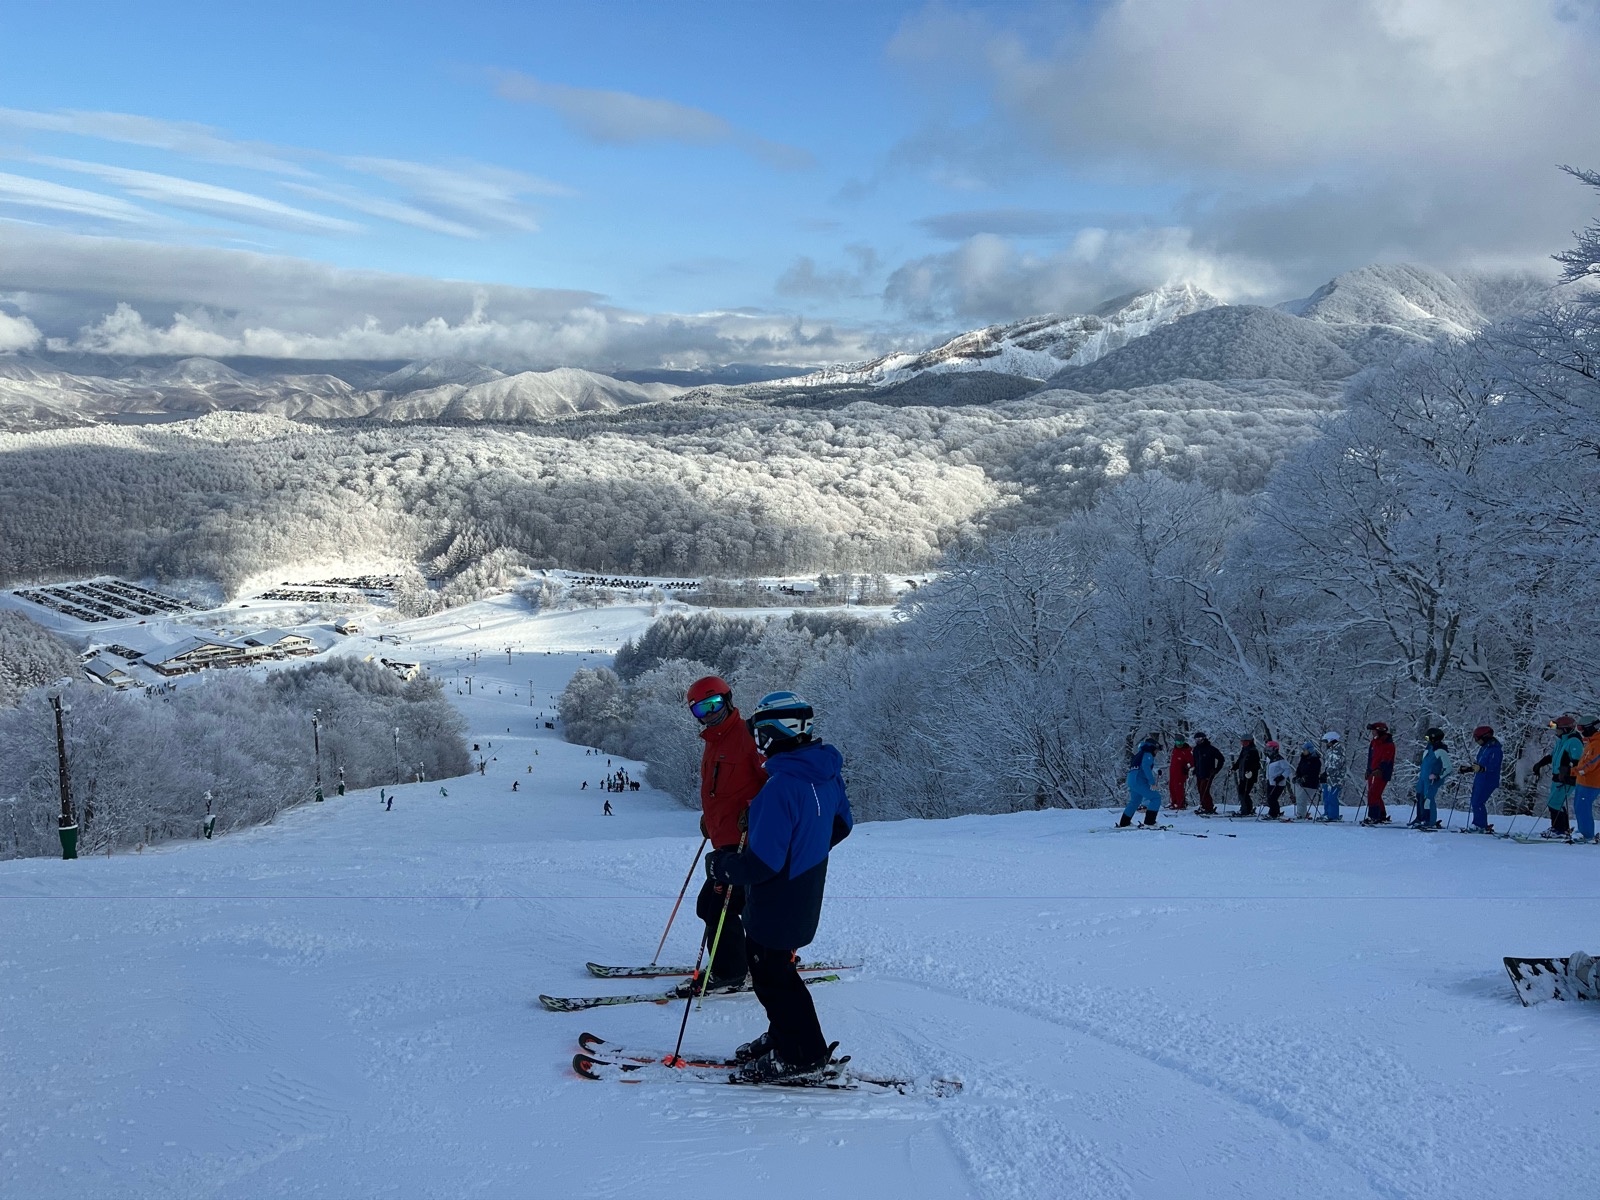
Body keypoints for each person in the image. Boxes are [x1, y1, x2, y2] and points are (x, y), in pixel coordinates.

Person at [706, 691, 853, 1084]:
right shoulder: (826, 773)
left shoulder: (780, 788)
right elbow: (842, 825)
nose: (756, 739)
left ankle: (801, 1055)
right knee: (779, 974)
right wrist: (804, 851)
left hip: (775, 903)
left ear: (771, 733)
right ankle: (788, 1035)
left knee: (773, 978)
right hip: (804, 893)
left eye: (759, 730)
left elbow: (760, 864)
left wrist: (722, 866)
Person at [685, 675, 767, 992]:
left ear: (728, 700)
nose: (709, 713)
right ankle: (750, 960)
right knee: (717, 906)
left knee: (717, 906)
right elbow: (718, 791)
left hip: (747, 840)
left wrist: (756, 812)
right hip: (724, 837)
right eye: (700, 710)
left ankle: (731, 970)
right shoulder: (713, 742)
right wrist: (710, 819)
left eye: (714, 704)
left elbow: (774, 782)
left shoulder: (749, 737)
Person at [1532, 716, 1583, 837]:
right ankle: (1562, 828)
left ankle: (1559, 830)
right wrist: (1540, 764)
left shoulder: (1574, 741)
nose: (1556, 731)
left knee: (1555, 803)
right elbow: (1554, 755)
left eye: (1558, 729)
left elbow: (1578, 762)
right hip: (1557, 777)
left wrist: (1569, 773)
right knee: (1555, 802)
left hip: (1567, 778)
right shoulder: (1562, 740)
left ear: (1565, 729)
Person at [1459, 725, 1502, 833]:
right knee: (1475, 801)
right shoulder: (1484, 748)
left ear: (1485, 737)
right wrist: (1468, 769)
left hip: (1488, 780)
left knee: (1478, 801)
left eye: (1477, 738)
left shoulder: (1495, 750)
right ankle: (1478, 823)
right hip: (1480, 778)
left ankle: (1480, 825)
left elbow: (1494, 766)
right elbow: (1479, 765)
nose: (1476, 741)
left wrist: (1482, 769)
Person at [1120, 735, 1163, 826]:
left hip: (1132, 780)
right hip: (1139, 781)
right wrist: (1152, 783)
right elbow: (1146, 767)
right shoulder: (1148, 754)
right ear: (1152, 747)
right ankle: (1150, 822)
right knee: (1156, 798)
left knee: (1135, 801)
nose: (1156, 752)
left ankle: (1124, 823)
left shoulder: (1138, 755)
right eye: (1156, 750)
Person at [1411, 728, 1451, 828]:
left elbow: (1449, 768)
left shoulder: (1441, 751)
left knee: (1427, 800)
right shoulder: (1428, 749)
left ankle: (1430, 821)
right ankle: (1420, 819)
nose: (1427, 740)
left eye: (1428, 738)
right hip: (1423, 779)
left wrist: (1438, 776)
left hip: (1432, 780)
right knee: (1419, 797)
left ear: (1434, 738)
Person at [1572, 716, 1600, 844]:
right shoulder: (1590, 742)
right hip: (1582, 781)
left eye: (1582, 728)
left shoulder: (1598, 743)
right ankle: (1583, 831)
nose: (1580, 731)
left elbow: (1590, 764)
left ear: (1591, 727)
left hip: (1591, 783)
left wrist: (1572, 772)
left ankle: (1586, 834)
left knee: (1583, 807)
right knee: (1579, 807)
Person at [1361, 723, 1395, 825]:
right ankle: (1381, 814)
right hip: (1372, 772)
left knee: (1373, 793)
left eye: (1374, 730)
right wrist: (1368, 770)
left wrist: (1380, 769)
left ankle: (1374, 816)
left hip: (1381, 773)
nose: (1372, 732)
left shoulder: (1388, 744)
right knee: (1374, 793)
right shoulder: (1374, 743)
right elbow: (1370, 758)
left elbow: (1387, 759)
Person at [1192, 733, 1224, 815]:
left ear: (1203, 739)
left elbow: (1221, 759)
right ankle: (1203, 806)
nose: (1198, 741)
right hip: (1199, 773)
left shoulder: (1211, 749)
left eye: (1199, 739)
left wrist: (1216, 769)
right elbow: (1195, 761)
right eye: (1196, 739)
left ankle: (1209, 807)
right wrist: (1195, 769)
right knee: (1200, 790)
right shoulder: (1196, 749)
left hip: (1208, 773)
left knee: (1204, 790)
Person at [1232, 735, 1260, 817]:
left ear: (1250, 741)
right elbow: (1240, 761)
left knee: (1244, 792)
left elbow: (1256, 764)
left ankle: (1246, 810)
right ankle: (1247, 808)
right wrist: (1234, 768)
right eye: (1242, 742)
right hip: (1242, 775)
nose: (1243, 743)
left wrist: (1250, 771)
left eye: (1245, 742)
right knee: (1242, 792)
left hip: (1249, 776)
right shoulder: (1244, 750)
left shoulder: (1253, 751)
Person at [1293, 742, 1322, 821]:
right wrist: (1297, 777)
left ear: (1310, 750)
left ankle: (1301, 816)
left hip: (1310, 784)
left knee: (1302, 799)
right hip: (1302, 783)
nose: (1303, 751)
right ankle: (1301, 814)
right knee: (1299, 799)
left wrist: (1304, 778)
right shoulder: (1303, 758)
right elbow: (1299, 769)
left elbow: (1313, 772)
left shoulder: (1315, 760)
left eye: (1305, 750)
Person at [1320, 732, 1345, 820]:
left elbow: (1336, 765)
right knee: (1326, 797)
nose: (1326, 743)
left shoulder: (1338, 750)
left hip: (1336, 779)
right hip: (1329, 778)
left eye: (1327, 741)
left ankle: (1333, 816)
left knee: (1332, 798)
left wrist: (1327, 773)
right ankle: (1327, 813)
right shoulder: (1330, 750)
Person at [1263, 741, 1290, 819]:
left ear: (1275, 749)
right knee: (1269, 797)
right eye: (1267, 749)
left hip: (1278, 783)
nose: (1268, 751)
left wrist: (1281, 777)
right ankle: (1275, 812)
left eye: (1270, 749)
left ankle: (1273, 814)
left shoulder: (1280, 760)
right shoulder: (1269, 759)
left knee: (1272, 798)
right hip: (1270, 782)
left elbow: (1287, 770)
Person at [1168, 735, 1194, 810]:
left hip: (1180, 773)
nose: (1179, 744)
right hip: (1173, 773)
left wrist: (1186, 767)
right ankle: (1174, 803)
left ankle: (1180, 804)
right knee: (1172, 788)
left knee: (1178, 788)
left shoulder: (1186, 751)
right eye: (1177, 742)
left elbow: (1191, 762)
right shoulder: (1174, 750)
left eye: (1181, 742)